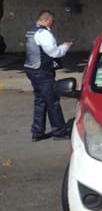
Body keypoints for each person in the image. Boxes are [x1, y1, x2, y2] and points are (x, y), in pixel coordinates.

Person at [24, 10, 73, 141]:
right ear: (47, 19)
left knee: (40, 101)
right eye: (52, 21)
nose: (53, 23)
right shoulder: (43, 33)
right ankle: (59, 132)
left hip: (32, 69)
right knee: (53, 101)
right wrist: (65, 47)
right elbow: (54, 52)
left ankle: (37, 132)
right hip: (42, 72)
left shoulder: (31, 31)